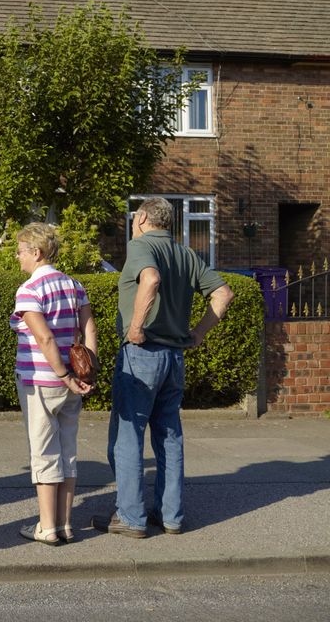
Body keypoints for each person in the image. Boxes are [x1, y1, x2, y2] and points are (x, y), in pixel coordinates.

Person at [94, 197, 234, 538]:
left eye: (133, 217)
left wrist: (137, 327)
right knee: (169, 436)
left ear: (141, 217)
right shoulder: (186, 254)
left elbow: (151, 279)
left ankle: (131, 517)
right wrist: (198, 334)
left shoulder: (140, 246)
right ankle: (170, 516)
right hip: (174, 358)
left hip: (142, 354)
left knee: (127, 439)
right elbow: (224, 294)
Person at [9, 223, 96, 546]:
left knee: (44, 452)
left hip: (40, 380)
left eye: (20, 251)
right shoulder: (74, 285)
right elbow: (90, 329)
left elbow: (44, 337)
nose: (18, 257)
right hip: (72, 381)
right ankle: (66, 523)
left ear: (36, 252)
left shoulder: (29, 290)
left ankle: (47, 527)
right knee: (68, 451)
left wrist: (64, 375)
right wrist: (84, 374)